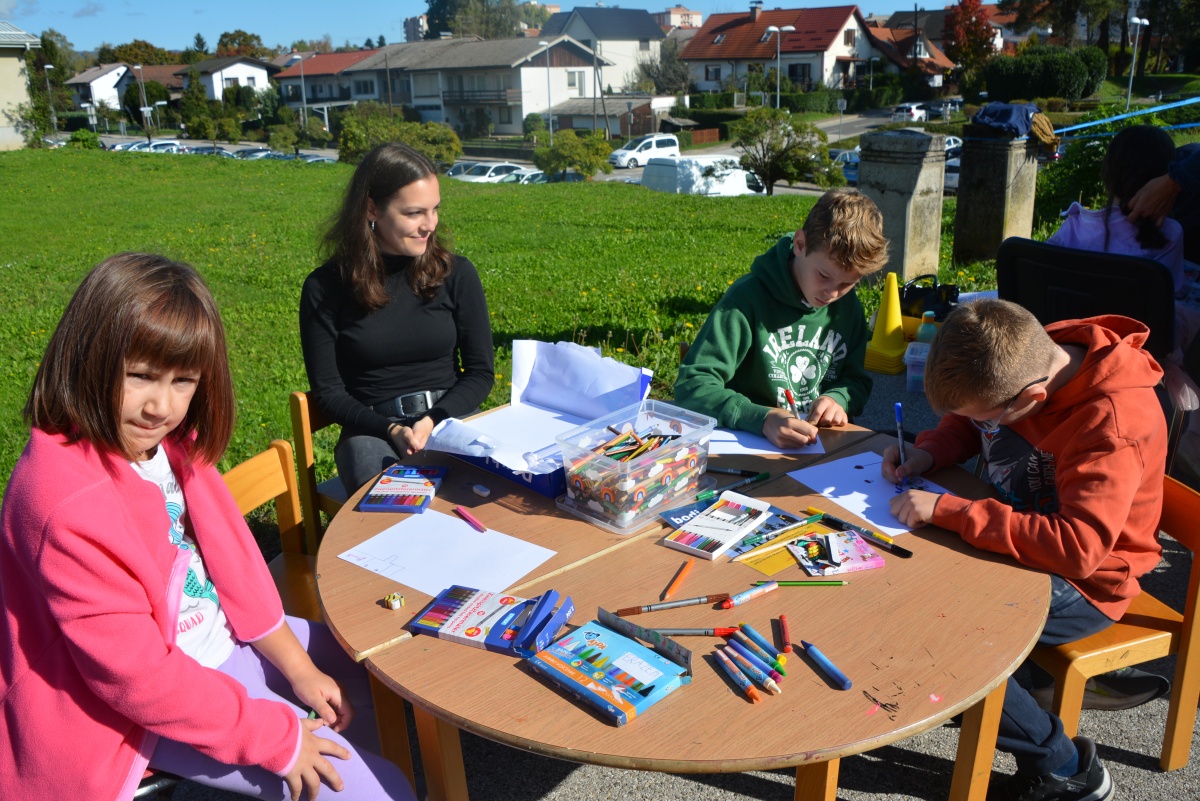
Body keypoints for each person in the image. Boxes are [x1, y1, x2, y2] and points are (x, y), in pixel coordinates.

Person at [0, 253, 416, 801]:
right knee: (378, 791)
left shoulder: (172, 448)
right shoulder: (64, 500)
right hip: (137, 715)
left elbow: (237, 569)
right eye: (141, 376)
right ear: (89, 356)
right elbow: (139, 681)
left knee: (380, 674)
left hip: (221, 648)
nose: (159, 406)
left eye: (183, 381)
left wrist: (298, 666)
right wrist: (281, 739)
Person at [883, 298, 1167, 801]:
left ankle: (1065, 767)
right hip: (1020, 539)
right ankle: (1025, 686)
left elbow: (1078, 549)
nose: (982, 424)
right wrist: (929, 448)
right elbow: (972, 420)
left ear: (1033, 398)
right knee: (909, 587)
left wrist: (952, 511)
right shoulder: (1024, 354)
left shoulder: (1112, 423)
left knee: (945, 637)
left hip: (1089, 584)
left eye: (990, 417)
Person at [300, 143, 495, 494]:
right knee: (394, 513)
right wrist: (390, 429)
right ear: (372, 208)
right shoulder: (326, 287)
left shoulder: (457, 274)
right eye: (414, 213)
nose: (429, 225)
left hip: (450, 419)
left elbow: (481, 373)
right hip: (371, 431)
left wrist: (433, 419)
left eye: (434, 210)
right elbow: (329, 393)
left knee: (493, 499)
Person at [674, 188, 888, 448]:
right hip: (752, 447)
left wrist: (839, 399)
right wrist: (761, 418)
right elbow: (692, 385)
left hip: (820, 452)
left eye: (848, 284)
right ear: (800, 245)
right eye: (823, 275)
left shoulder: (848, 307)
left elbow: (856, 381)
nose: (832, 293)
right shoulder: (746, 300)